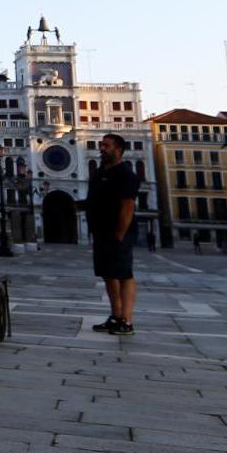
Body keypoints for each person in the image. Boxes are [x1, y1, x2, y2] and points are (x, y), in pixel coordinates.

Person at [86, 132, 141, 334]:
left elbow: (127, 206)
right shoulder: (100, 173)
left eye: (106, 145)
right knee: (109, 274)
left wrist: (120, 234)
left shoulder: (125, 174)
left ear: (118, 150)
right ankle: (116, 315)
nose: (102, 148)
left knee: (124, 274)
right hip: (101, 231)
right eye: (101, 145)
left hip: (119, 232)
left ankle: (127, 320)